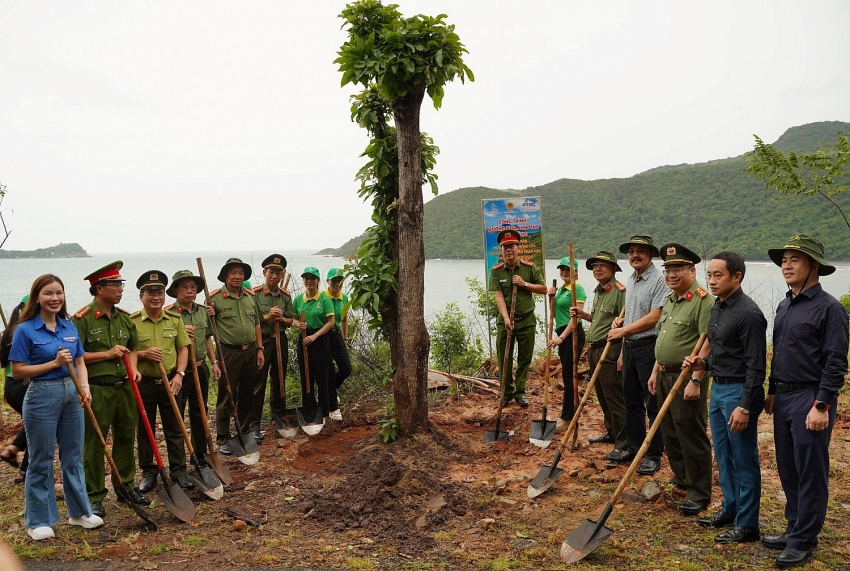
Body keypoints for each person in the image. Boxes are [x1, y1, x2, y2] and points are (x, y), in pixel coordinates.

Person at [761, 234, 849, 569]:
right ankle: (794, 526)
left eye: (794, 259)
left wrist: (822, 404)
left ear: (814, 266)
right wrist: (771, 389)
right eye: (784, 259)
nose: (786, 264)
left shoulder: (830, 308)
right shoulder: (785, 305)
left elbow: (836, 361)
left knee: (811, 470)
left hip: (810, 397)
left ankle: (804, 541)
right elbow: (778, 352)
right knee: (788, 467)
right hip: (782, 397)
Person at [9, 274, 104, 540]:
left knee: (73, 456)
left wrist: (84, 388)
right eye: (48, 293)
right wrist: (53, 363)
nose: (54, 298)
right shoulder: (25, 330)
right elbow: (18, 371)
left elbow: (81, 363)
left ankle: (79, 513)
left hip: (72, 395)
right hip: (41, 395)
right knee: (41, 459)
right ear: (37, 297)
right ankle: (38, 520)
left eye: (59, 293)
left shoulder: (69, 327)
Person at [684, 251, 766, 543]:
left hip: (738, 391)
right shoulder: (717, 308)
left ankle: (747, 524)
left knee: (744, 458)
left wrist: (745, 406)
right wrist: (700, 365)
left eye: (719, 275)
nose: (712, 280)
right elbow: (721, 353)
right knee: (723, 454)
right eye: (710, 275)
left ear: (737, 277)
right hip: (717, 388)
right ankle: (730, 508)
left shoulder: (749, 314)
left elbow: (756, 366)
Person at [72, 261, 147, 518]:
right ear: (99, 288)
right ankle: (93, 495)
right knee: (94, 443)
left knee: (126, 437)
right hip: (97, 389)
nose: (120, 289)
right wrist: (107, 353)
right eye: (116, 285)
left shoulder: (124, 318)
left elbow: (133, 348)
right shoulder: (82, 319)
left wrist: (134, 368)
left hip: (124, 388)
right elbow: (75, 357)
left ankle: (125, 486)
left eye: (121, 284)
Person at [647, 243, 714, 516]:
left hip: (686, 376)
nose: (671, 274)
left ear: (692, 270)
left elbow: (707, 343)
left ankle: (699, 491)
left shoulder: (703, 300)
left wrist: (696, 381)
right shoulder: (671, 299)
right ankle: (681, 475)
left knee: (690, 432)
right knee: (669, 430)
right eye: (668, 269)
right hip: (664, 373)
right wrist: (654, 371)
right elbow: (663, 339)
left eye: (677, 269)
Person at [607, 235, 668, 473]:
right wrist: (622, 323)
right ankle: (633, 448)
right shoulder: (631, 280)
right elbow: (634, 312)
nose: (635, 255)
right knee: (630, 402)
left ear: (650, 254)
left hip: (648, 346)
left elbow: (654, 317)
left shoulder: (659, 280)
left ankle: (653, 454)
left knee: (651, 401)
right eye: (632, 251)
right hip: (630, 347)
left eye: (641, 251)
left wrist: (624, 330)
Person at [130, 271, 192, 493]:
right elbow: (129, 353)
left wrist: (180, 375)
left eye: (160, 292)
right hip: (144, 383)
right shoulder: (132, 322)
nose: (156, 297)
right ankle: (149, 472)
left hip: (171, 381)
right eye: (150, 293)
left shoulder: (174, 320)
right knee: (145, 429)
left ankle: (179, 472)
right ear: (141, 296)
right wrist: (145, 354)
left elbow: (183, 349)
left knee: (175, 427)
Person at [569, 251, 628, 457]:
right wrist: (583, 314)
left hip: (610, 349)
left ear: (613, 269)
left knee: (614, 396)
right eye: (595, 266)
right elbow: (599, 319)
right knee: (602, 394)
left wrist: (622, 353)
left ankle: (623, 443)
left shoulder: (620, 291)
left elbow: (625, 323)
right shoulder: (598, 291)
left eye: (603, 265)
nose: (598, 269)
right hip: (594, 350)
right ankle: (611, 432)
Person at [207, 258, 264, 453]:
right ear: (225, 276)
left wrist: (260, 349)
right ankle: (223, 438)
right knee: (226, 394)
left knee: (247, 392)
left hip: (250, 351)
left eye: (240, 273)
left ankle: (244, 431)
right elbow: (206, 327)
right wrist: (209, 313)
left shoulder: (250, 297)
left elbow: (256, 324)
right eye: (233, 273)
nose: (237, 276)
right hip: (227, 353)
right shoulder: (214, 299)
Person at [165, 270, 221, 465]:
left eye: (193, 287)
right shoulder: (168, 313)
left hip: (200, 367)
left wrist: (213, 362)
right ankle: (178, 459)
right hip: (179, 371)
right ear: (175, 290)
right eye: (184, 287)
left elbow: (207, 338)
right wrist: (179, 332)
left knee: (200, 411)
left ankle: (200, 453)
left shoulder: (202, 310)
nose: (189, 291)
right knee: (177, 415)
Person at [488, 229, 547, 407]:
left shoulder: (530, 268)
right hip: (506, 322)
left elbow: (543, 288)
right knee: (504, 358)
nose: (508, 250)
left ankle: (519, 392)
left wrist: (524, 284)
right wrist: (506, 319)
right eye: (505, 247)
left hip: (527, 321)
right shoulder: (497, 271)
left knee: (524, 359)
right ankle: (505, 392)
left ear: (517, 248)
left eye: (511, 246)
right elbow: (498, 296)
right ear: (502, 250)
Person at [250, 255, 296, 438]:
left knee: (279, 380)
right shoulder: (254, 294)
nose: (275, 276)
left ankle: (279, 417)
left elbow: (291, 320)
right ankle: (254, 424)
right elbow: (251, 320)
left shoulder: (285, 296)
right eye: (271, 272)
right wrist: (268, 316)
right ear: (264, 273)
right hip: (262, 342)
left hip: (280, 339)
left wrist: (282, 319)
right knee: (258, 382)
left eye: (278, 272)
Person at [546, 257, 586, 429]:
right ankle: (568, 414)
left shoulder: (577, 289)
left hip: (572, 335)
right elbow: (554, 312)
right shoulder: (562, 289)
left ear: (576, 272)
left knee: (569, 377)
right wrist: (550, 297)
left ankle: (568, 418)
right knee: (566, 375)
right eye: (562, 269)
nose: (564, 272)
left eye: (568, 270)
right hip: (562, 333)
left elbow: (576, 317)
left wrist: (562, 337)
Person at [292, 267, 334, 420]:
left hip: (320, 339)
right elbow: (293, 319)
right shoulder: (298, 300)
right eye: (306, 278)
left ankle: (324, 412)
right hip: (303, 339)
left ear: (318, 281)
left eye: (312, 278)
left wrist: (315, 336)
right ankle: (309, 410)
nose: (309, 281)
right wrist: (298, 325)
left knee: (322, 377)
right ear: (303, 280)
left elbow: (330, 322)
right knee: (306, 377)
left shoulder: (324, 299)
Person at [1, 296, 29, 485]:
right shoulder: (25, 332)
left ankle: (22, 467)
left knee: (34, 425)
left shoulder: (9, 332)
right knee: (40, 426)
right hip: (23, 385)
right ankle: (18, 459)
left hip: (10, 387)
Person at [325, 267, 351, 421]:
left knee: (346, 368)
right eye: (334, 280)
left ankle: (329, 391)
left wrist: (345, 338)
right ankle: (331, 403)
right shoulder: (323, 297)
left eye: (340, 281)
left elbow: (344, 319)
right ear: (327, 281)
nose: (337, 283)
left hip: (337, 335)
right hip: (324, 335)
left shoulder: (344, 298)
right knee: (327, 369)